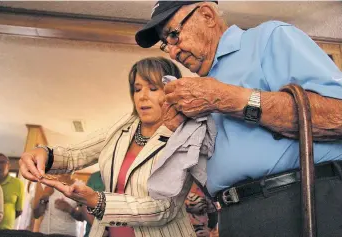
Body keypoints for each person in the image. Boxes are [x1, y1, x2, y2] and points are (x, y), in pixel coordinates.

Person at [134, 1, 342, 236]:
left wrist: (228, 99)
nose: (172, 52)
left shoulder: (268, 39)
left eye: (174, 35)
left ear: (207, 15)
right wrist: (177, 133)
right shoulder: (198, 90)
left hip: (298, 201)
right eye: (165, 44)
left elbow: (338, 115)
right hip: (234, 215)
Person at [19, 57, 197, 237]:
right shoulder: (123, 128)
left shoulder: (183, 137)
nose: (142, 96)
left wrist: (96, 201)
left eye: (152, 88)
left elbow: (164, 208)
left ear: (171, 92)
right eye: (137, 89)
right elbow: (75, 154)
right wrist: (44, 154)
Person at [0, 153, 24, 230]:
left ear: (8, 165)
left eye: (1, 162)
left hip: (6, 230)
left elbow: (19, 210)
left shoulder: (17, 183)